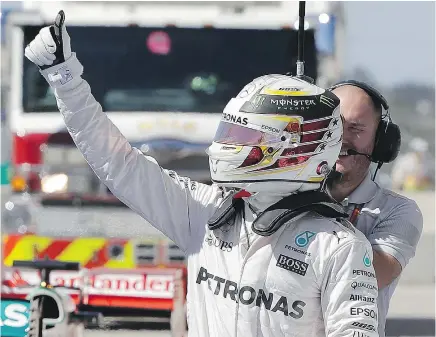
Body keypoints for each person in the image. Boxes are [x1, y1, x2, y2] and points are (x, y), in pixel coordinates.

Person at [25, 11, 381, 337]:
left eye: (245, 137)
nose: (225, 148)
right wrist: (65, 79)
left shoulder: (340, 248)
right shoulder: (206, 212)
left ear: (294, 149)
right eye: (230, 134)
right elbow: (119, 163)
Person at [329, 81, 424, 337]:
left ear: (381, 141)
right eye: (333, 125)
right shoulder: (282, 194)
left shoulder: (400, 212)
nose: (342, 138)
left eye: (356, 128)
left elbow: (371, 275)